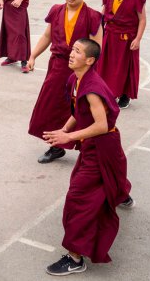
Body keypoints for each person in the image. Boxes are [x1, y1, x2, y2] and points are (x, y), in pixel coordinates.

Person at [43, 38, 132, 276]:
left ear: (90, 60)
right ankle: (120, 193)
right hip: (93, 145)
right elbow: (77, 111)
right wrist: (64, 130)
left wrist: (68, 139)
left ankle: (75, 257)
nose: (71, 54)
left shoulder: (93, 88)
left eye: (78, 51)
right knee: (103, 181)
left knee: (77, 198)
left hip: (103, 144)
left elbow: (102, 125)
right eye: (72, 49)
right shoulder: (75, 79)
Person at [27, 0, 102, 164]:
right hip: (58, 66)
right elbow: (47, 36)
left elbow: (97, 46)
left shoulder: (92, 16)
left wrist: (89, 72)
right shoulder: (56, 10)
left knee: (81, 108)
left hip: (81, 70)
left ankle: (87, 148)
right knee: (52, 107)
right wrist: (33, 55)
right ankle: (56, 146)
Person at [96, 0, 147, 109]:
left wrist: (138, 39)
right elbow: (103, 13)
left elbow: (142, 20)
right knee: (107, 65)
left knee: (124, 67)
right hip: (110, 34)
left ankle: (125, 94)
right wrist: (97, 32)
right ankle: (109, 92)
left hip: (127, 39)